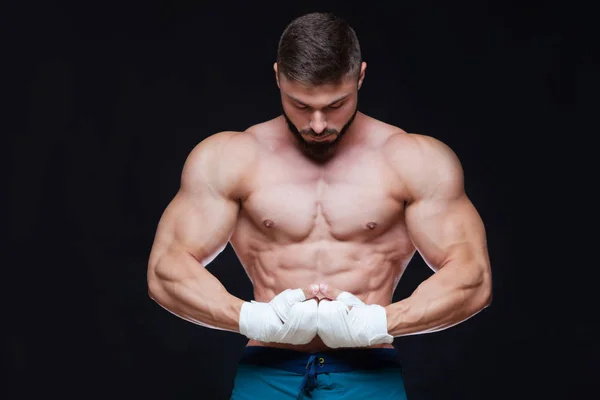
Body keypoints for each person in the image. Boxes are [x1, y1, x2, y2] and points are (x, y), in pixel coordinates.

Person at [147, 11, 492, 400]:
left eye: (335, 105)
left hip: (368, 373)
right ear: (278, 77)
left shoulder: (413, 160)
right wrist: (250, 318)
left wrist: (379, 322)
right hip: (267, 371)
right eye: (299, 104)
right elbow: (167, 269)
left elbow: (472, 276)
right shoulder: (231, 157)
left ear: (360, 77)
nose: (316, 123)